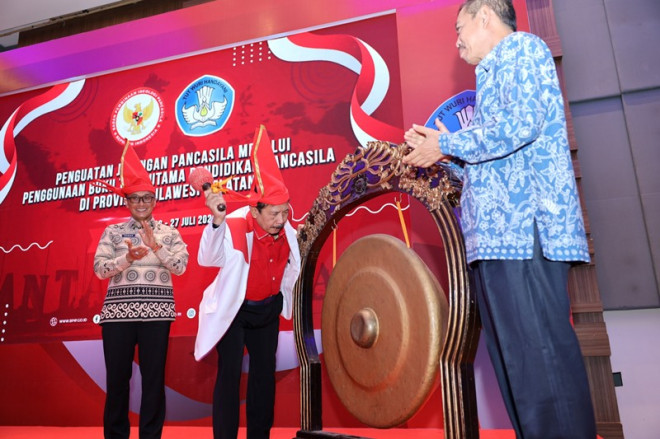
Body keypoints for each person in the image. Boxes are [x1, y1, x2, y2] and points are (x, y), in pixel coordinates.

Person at [403, 1, 597, 437]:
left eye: (459, 27)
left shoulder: (522, 50)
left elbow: (522, 124)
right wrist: (440, 149)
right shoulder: (490, 76)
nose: (456, 40)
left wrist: (450, 143)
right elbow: (489, 159)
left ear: (485, 15)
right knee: (519, 372)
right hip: (492, 241)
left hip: (522, 232)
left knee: (540, 361)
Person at [194, 125, 301, 439]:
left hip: (267, 311)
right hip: (236, 312)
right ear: (256, 209)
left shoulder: (288, 231)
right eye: (275, 214)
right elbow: (207, 258)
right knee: (229, 376)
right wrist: (216, 221)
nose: (281, 220)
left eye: (285, 212)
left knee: (263, 377)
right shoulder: (236, 225)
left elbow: (294, 267)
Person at [93, 139, 189, 439]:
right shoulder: (113, 231)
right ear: (128, 203)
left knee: (153, 380)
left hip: (157, 315)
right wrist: (127, 258)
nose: (142, 203)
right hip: (117, 315)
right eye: (135, 198)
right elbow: (99, 269)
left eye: (147, 197)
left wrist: (155, 247)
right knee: (117, 382)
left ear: (155, 200)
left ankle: (150, 436)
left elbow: (181, 266)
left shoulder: (169, 232)